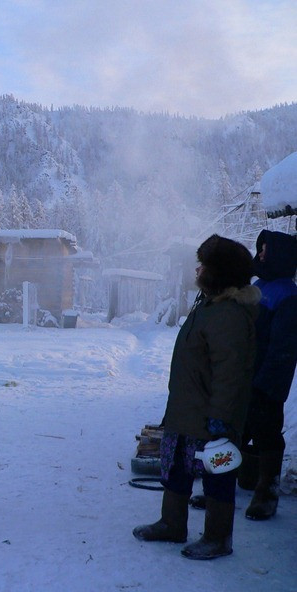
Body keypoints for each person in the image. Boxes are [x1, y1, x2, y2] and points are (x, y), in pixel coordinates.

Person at [133, 234, 260, 560]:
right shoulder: (208, 304)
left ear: (221, 273)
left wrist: (221, 419)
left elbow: (230, 376)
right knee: (175, 468)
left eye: (203, 266)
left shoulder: (229, 314)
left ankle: (218, 538)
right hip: (186, 412)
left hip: (211, 418)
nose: (197, 270)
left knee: (218, 475)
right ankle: (172, 524)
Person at [240, 229, 297, 520]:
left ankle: (267, 492)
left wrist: (265, 386)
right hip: (243, 378)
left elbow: (283, 350)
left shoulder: (288, 295)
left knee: (267, 435)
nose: (260, 255)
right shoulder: (260, 285)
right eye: (259, 250)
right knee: (235, 431)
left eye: (265, 251)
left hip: (265, 383)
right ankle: (223, 484)